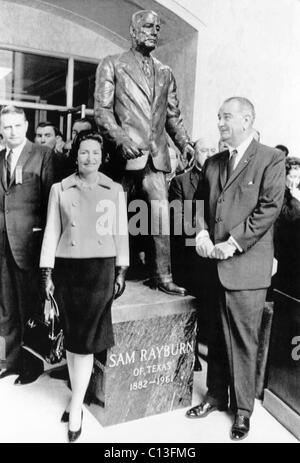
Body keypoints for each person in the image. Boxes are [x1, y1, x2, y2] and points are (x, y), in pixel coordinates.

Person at [186, 97, 285, 441]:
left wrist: (233, 242)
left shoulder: (272, 159)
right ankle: (215, 396)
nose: (221, 123)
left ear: (246, 120)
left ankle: (243, 411)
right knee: (214, 334)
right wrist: (199, 232)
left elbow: (269, 207)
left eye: (226, 117)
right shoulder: (213, 162)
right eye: (218, 117)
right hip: (212, 266)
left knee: (243, 341)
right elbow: (197, 204)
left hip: (245, 268)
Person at [94, 9, 194, 296]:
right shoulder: (112, 64)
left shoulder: (165, 72)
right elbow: (102, 111)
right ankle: (115, 274)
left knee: (160, 217)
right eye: (148, 26)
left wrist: (185, 143)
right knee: (116, 219)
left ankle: (162, 274)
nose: (154, 32)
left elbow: (173, 116)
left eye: (158, 28)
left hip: (155, 158)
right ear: (133, 30)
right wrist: (120, 139)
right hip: (123, 157)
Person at [39, 130, 129, 442]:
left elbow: (121, 233)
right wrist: (47, 273)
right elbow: (51, 231)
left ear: (102, 157)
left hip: (100, 271)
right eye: (83, 152)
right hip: (68, 270)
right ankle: (78, 397)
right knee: (74, 338)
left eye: (94, 153)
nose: (88, 157)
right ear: (75, 155)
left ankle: (76, 404)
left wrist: (122, 270)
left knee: (87, 340)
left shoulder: (113, 189)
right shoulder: (59, 189)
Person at [0, 105, 54, 384]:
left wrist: (45, 245)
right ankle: (9, 361)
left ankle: (31, 366)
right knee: (6, 307)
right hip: (2, 243)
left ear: (26, 126)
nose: (12, 131)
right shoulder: (0, 158)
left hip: (30, 245)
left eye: (17, 126)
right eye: (6, 127)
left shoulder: (43, 155)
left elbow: (50, 204)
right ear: (1, 130)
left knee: (30, 308)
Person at [169, 137, 216, 370]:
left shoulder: (223, 179)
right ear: (193, 154)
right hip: (188, 256)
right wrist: (200, 236)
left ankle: (200, 347)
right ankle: (189, 354)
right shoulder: (180, 182)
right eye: (204, 150)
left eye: (212, 149)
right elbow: (177, 219)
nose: (208, 153)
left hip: (214, 256)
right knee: (189, 307)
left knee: (208, 307)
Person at [273, 156, 300, 299]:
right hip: (281, 251)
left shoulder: (296, 191)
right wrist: (296, 200)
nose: (296, 181)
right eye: (293, 176)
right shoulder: (280, 193)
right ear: (284, 175)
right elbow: (288, 216)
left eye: (298, 177)